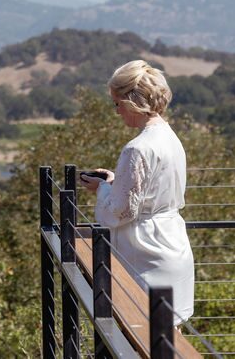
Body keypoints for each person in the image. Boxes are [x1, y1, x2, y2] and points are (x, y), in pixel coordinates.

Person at [79, 59, 195, 324]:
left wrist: (103, 188)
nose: (117, 111)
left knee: (139, 335)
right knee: (167, 340)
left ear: (133, 102)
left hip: (145, 253)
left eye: (117, 104)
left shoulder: (138, 148)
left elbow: (122, 211)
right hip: (171, 244)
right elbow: (149, 191)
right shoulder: (169, 136)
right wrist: (114, 181)